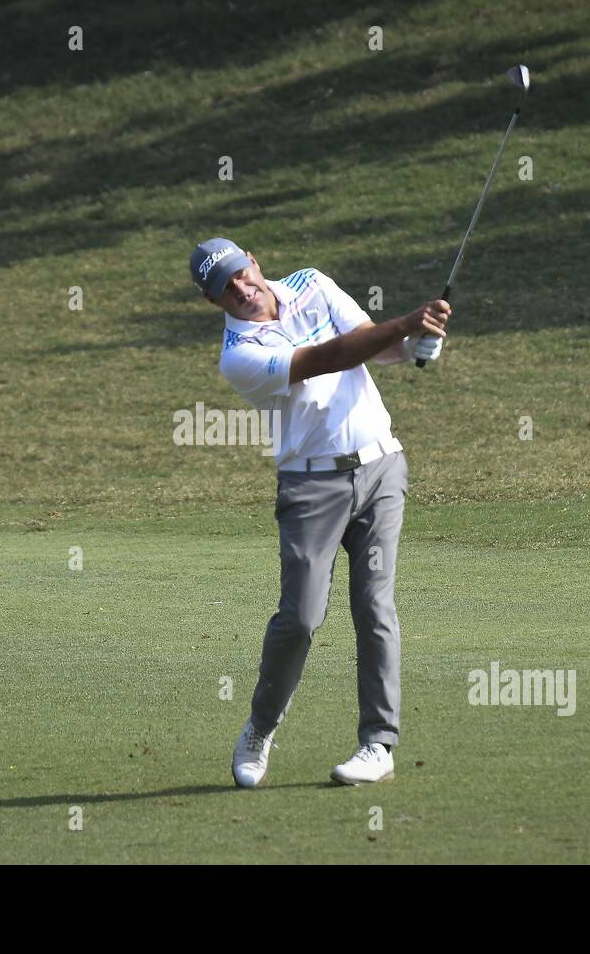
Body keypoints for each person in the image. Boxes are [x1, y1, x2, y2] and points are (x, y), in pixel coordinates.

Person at [188, 237, 450, 787]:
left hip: (381, 468)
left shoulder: (312, 283)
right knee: (301, 619)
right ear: (215, 302)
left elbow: (365, 343)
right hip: (311, 489)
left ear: (254, 262)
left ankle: (378, 744)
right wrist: (406, 322)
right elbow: (329, 357)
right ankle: (261, 726)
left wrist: (413, 345)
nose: (241, 289)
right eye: (225, 289)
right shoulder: (240, 355)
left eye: (241, 273)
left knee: (375, 604)